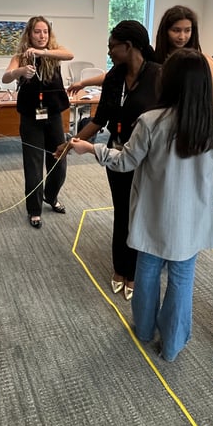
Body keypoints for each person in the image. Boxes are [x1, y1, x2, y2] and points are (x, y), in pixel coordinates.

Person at [71, 49, 213, 361]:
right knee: (182, 281)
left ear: (168, 82)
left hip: (152, 214)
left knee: (146, 274)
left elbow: (125, 161)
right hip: (193, 217)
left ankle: (144, 330)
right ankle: (172, 344)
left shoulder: (150, 121)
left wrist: (92, 149)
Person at [61, 21, 163, 301]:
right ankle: (121, 267)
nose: (109, 53)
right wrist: (72, 143)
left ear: (128, 47)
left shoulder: (159, 76)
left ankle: (139, 270)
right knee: (122, 211)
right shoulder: (115, 77)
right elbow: (99, 118)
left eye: (111, 47)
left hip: (148, 159)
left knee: (142, 213)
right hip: (116, 156)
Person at [70, 5, 213, 151]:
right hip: (157, 138)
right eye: (176, 30)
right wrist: (84, 82)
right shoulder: (155, 61)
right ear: (165, 31)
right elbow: (117, 75)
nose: (182, 36)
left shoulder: (201, 61)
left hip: (190, 130)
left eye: (187, 30)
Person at [3, 16, 74, 228]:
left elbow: (70, 54)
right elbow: (6, 77)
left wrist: (43, 52)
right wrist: (20, 71)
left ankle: (50, 197)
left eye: (45, 32)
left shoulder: (53, 52)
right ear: (29, 34)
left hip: (53, 115)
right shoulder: (20, 56)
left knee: (58, 161)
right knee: (33, 165)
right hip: (30, 117)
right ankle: (34, 210)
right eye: (37, 32)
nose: (41, 36)